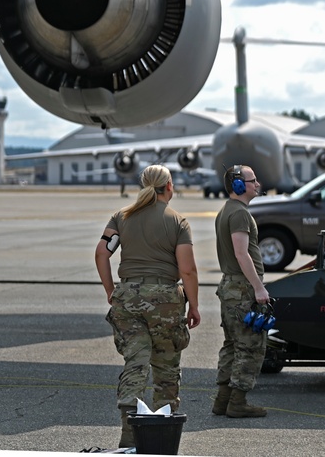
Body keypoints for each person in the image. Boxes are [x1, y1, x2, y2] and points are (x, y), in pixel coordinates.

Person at [94, 164, 200, 449]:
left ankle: (129, 437)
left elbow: (102, 253)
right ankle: (163, 439)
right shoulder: (178, 221)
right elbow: (187, 270)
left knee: (136, 363)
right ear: (168, 187)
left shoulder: (122, 217)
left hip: (127, 298)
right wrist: (194, 306)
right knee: (165, 368)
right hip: (165, 299)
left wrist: (110, 290)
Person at [212, 164, 269, 418]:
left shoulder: (228, 210)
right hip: (242, 289)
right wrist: (258, 287)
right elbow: (241, 252)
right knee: (250, 346)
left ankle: (223, 401)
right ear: (238, 185)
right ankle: (237, 403)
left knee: (232, 345)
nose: (257, 184)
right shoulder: (240, 214)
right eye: (252, 180)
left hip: (231, 288)